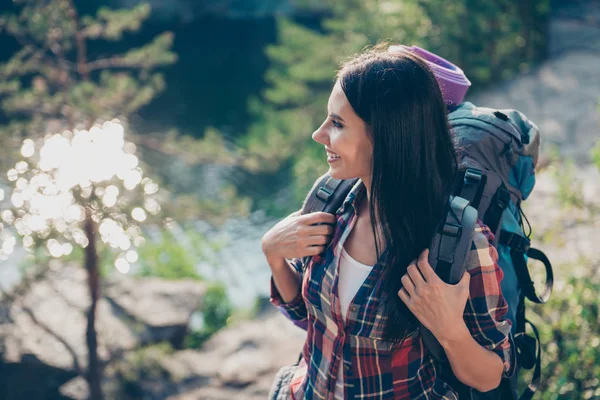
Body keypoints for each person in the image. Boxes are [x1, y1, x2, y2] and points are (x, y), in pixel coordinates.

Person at [261, 43, 515, 400]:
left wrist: (450, 330)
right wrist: (273, 253)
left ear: (386, 136)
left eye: (337, 124)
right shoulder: (331, 206)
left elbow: (490, 377)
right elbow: (311, 320)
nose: (318, 135)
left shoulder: (459, 242)